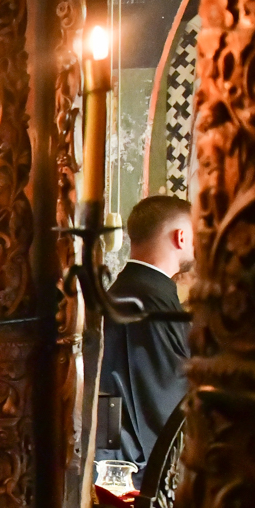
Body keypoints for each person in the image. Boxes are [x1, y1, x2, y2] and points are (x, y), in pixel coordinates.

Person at [98, 194, 193, 467]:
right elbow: (167, 390)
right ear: (181, 237)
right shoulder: (149, 300)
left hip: (115, 449)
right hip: (127, 459)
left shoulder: (130, 289)